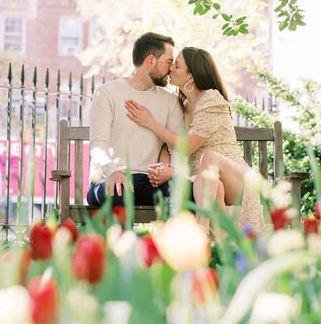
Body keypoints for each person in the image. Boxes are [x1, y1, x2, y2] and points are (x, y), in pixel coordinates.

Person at [124, 46, 264, 235]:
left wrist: (151, 123)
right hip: (203, 180)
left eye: (177, 66)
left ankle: (201, 230)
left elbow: (187, 146)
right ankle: (223, 241)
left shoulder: (211, 100)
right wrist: (163, 169)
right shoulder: (181, 105)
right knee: (214, 186)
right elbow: (168, 144)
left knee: (209, 158)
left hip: (234, 177)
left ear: (191, 77)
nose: (171, 68)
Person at [86, 32, 185, 209]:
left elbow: (176, 146)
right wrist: (113, 172)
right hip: (110, 178)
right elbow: (97, 145)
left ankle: (174, 237)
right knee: (118, 191)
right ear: (150, 61)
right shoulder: (107, 93)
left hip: (151, 182)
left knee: (186, 190)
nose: (171, 69)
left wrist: (174, 172)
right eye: (168, 62)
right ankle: (122, 238)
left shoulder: (169, 100)